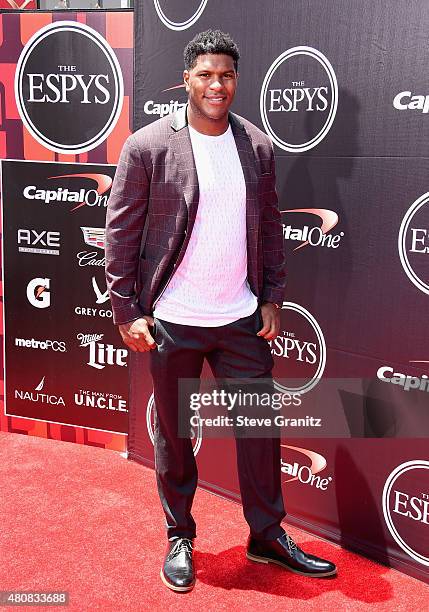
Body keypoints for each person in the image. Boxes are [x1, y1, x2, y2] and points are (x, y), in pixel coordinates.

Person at [105, 29, 337, 592]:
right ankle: (179, 535)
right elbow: (120, 235)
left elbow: (269, 230)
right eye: (205, 74)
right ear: (186, 79)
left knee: (260, 434)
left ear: (237, 80)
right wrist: (126, 310)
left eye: (226, 75)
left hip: (238, 319)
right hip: (172, 321)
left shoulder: (256, 146)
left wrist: (271, 297)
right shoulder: (149, 145)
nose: (217, 85)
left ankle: (266, 536)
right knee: (176, 438)